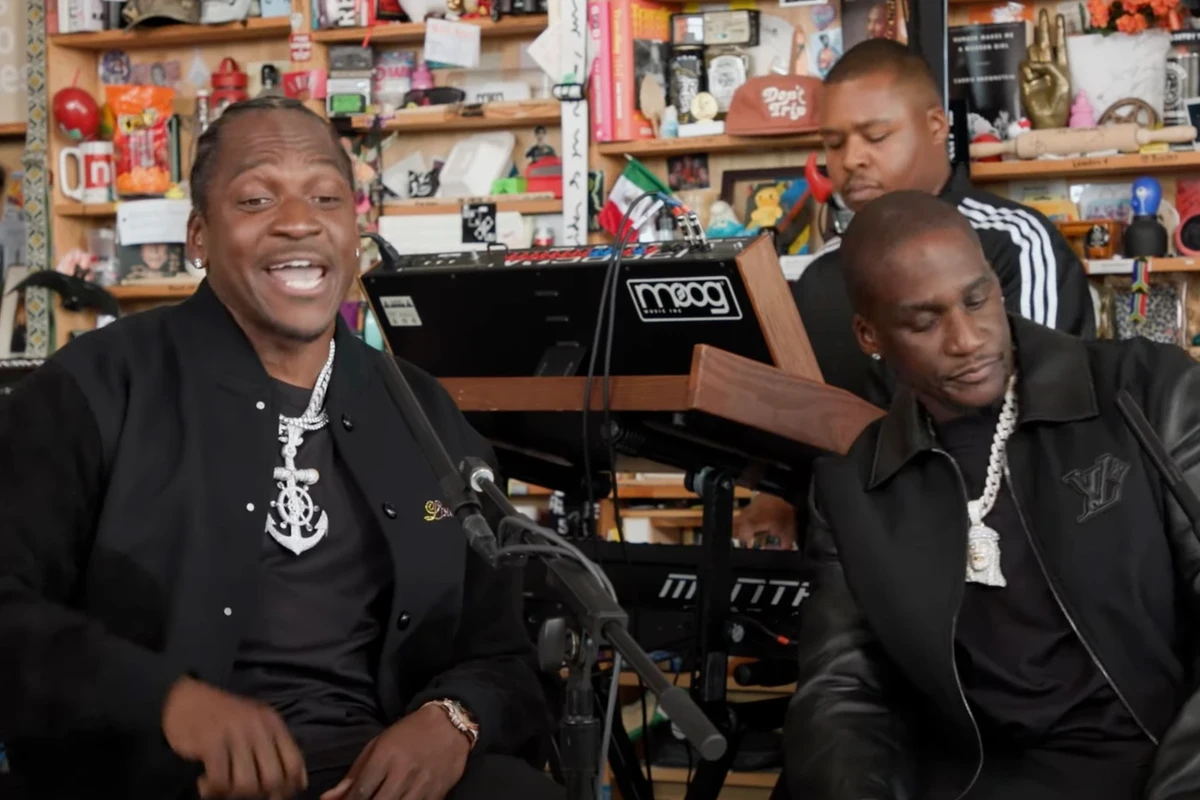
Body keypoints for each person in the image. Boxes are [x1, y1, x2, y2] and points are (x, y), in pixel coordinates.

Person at [0, 97, 562, 800]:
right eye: (257, 197)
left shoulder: (423, 412)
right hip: (152, 778)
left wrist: (453, 719)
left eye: (326, 196)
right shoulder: (92, 389)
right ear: (199, 236)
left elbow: (502, 649)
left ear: (355, 230)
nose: (299, 220)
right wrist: (166, 701)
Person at [779, 190, 1200, 800]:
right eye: (924, 321)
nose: (967, 339)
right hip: (970, 781)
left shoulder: (1150, 394)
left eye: (976, 300)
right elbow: (842, 692)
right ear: (869, 334)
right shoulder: (853, 490)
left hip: (1156, 768)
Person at [734, 38, 1095, 549]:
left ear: (935, 127)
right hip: (852, 557)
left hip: (1002, 544)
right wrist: (779, 494)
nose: (852, 159)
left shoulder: (1013, 244)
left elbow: (1044, 419)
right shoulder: (820, 281)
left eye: (875, 136)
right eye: (834, 144)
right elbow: (805, 431)